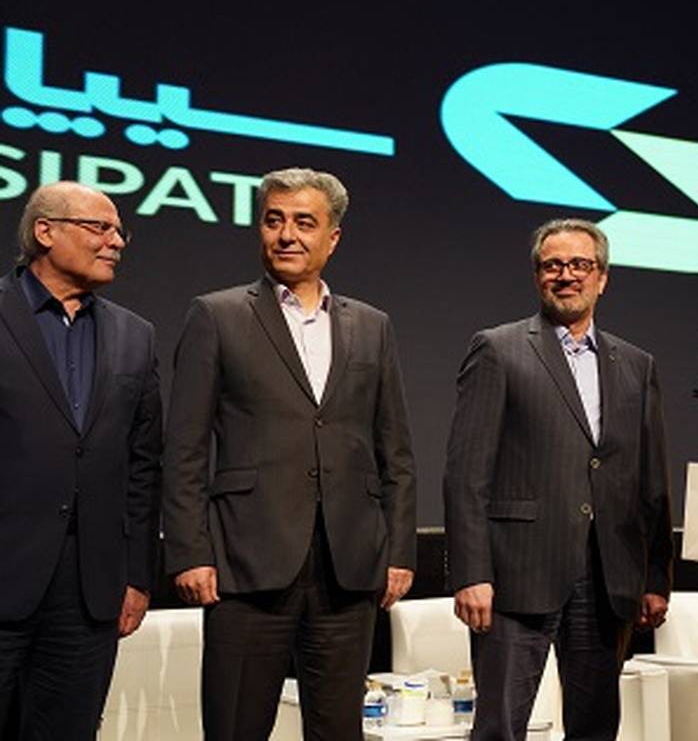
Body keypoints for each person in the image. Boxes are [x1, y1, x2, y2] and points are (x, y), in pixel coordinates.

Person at [162, 167, 416, 740]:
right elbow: (185, 448)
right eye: (274, 220)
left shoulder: (372, 325)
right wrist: (189, 553)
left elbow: (395, 451)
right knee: (236, 726)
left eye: (304, 222)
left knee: (338, 730)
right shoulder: (217, 315)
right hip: (245, 562)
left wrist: (399, 550)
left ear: (333, 237)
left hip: (348, 565)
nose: (286, 235)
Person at [444, 218, 672, 741]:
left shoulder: (636, 364)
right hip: (515, 574)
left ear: (602, 278)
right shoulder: (498, 349)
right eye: (553, 265)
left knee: (596, 729)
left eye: (580, 265)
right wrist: (470, 573)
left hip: (608, 577)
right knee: (500, 728)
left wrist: (655, 577)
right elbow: (465, 474)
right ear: (537, 276)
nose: (566, 275)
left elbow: (650, 481)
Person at [0, 182, 161, 738]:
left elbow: (144, 466)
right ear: (45, 231)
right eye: (100, 228)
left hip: (88, 593)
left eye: (119, 231)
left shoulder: (135, 336)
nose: (116, 241)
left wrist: (137, 575)